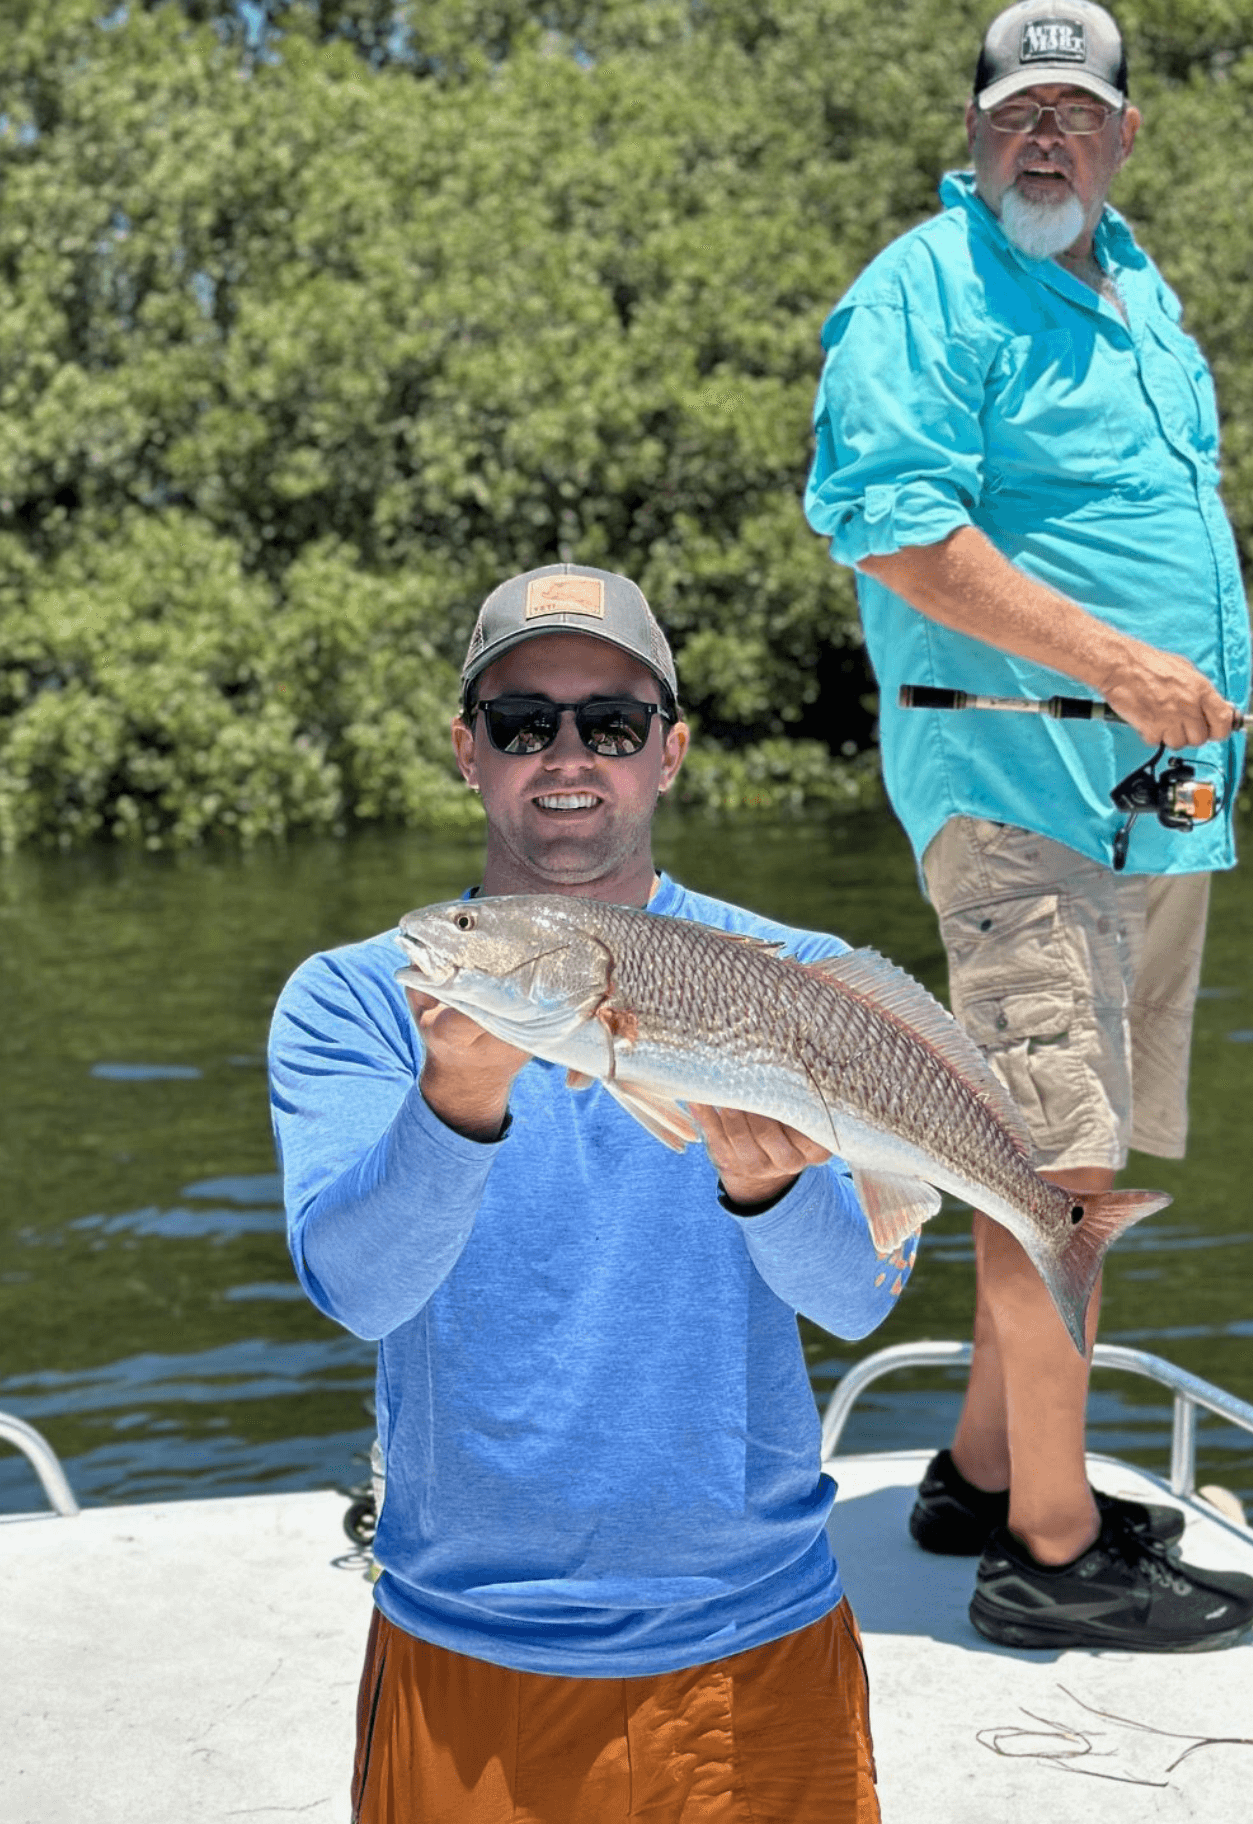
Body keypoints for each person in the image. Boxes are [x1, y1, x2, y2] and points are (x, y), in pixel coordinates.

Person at [269, 562, 906, 1822]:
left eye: (611, 723)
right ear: (469, 751)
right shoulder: (366, 995)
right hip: (468, 1647)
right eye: (523, 723)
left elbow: (857, 1300)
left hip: (757, 1636)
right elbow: (357, 1289)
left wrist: (771, 1191)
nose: (569, 755)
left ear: (668, 754)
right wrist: (454, 1106)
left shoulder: (799, 978)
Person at [803, 0, 1253, 1653]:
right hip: (1018, 801)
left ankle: (989, 1474)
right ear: (976, 135)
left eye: (1077, 111)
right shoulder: (924, 291)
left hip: (1155, 813)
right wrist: (1119, 662)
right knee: (1046, 1179)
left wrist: (1171, 686)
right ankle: (1052, 1560)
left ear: (1125, 134)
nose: (1046, 136)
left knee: (1076, 1155)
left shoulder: (1133, 280)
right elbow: (890, 526)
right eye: (1017, 114)